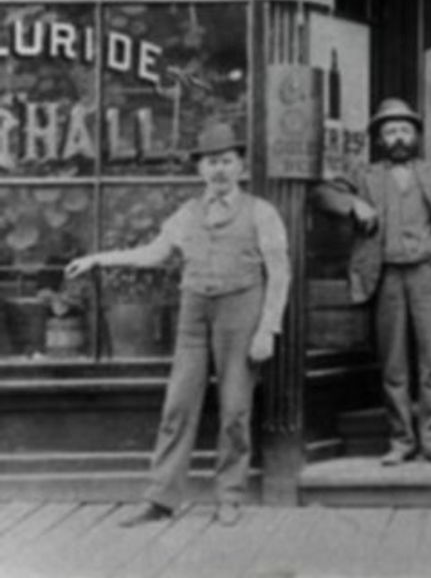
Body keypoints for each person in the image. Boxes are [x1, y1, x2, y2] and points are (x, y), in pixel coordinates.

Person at [65, 121, 290, 528]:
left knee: (235, 409)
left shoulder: (262, 212)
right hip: (194, 311)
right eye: (210, 162)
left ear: (240, 165)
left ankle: (230, 496)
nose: (218, 170)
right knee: (178, 405)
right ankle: (161, 498)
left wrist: (267, 330)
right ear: (200, 169)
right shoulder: (188, 213)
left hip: (241, 311)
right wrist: (100, 259)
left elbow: (280, 272)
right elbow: (154, 253)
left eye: (226, 161)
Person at [313, 98, 431, 467]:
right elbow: (322, 194)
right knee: (393, 365)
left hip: (430, 276)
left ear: (416, 135)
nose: (398, 137)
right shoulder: (365, 175)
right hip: (385, 277)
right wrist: (353, 204)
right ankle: (401, 441)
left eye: (404, 129)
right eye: (390, 131)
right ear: (380, 139)